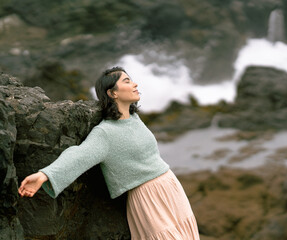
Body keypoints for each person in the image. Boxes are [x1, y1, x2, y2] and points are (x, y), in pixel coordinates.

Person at [18, 66, 200, 240]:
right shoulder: (105, 133)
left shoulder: (134, 118)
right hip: (148, 199)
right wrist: (44, 175)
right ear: (112, 93)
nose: (135, 84)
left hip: (171, 189)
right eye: (127, 81)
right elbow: (79, 155)